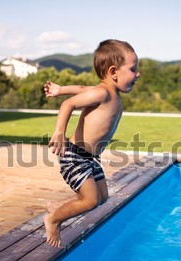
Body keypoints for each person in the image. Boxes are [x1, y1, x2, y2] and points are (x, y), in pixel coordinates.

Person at [43, 39, 140, 247]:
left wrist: (61, 89)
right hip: (74, 156)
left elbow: (81, 88)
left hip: (89, 158)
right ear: (114, 71)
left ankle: (59, 207)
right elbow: (68, 104)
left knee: (102, 197)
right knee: (90, 200)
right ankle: (53, 219)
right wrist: (60, 131)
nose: (138, 74)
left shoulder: (107, 91)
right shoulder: (103, 93)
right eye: (133, 69)